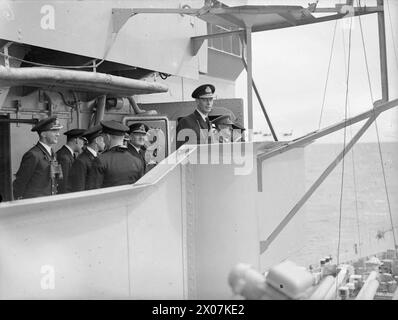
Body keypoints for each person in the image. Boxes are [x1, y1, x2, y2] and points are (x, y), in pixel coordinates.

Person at [13, 116, 63, 200]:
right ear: (43, 134)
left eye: (58, 131)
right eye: (54, 131)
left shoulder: (52, 154)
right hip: (35, 204)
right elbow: (20, 183)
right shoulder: (33, 155)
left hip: (49, 202)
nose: (58, 134)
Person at [91, 120, 143, 189]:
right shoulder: (137, 161)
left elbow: (92, 191)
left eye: (103, 137)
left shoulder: (100, 160)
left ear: (108, 137)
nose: (103, 140)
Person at [67, 125, 105, 192]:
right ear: (97, 140)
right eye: (103, 140)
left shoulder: (99, 157)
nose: (105, 143)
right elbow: (78, 188)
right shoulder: (81, 161)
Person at [176, 84, 215, 149]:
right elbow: (179, 150)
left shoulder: (208, 122)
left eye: (211, 99)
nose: (209, 103)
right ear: (197, 101)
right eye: (205, 100)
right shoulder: (186, 122)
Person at [56, 128, 86, 194]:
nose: (83, 144)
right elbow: (63, 184)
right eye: (83, 140)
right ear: (76, 140)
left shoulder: (69, 155)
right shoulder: (63, 157)